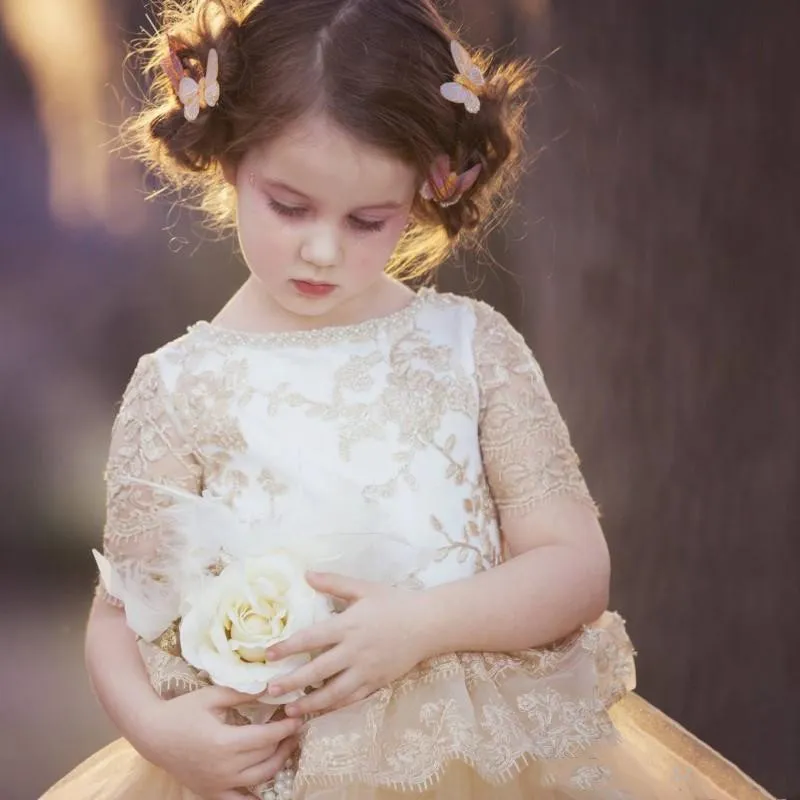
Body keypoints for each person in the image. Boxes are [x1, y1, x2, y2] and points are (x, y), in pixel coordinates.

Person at [43, 1, 776, 798]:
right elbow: (120, 614)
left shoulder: (469, 349)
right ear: (231, 160)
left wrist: (417, 627)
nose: (322, 248)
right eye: (289, 206)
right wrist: (159, 733)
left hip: (483, 761)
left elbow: (574, 566)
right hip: (268, 774)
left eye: (368, 220)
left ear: (426, 191)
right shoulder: (179, 385)